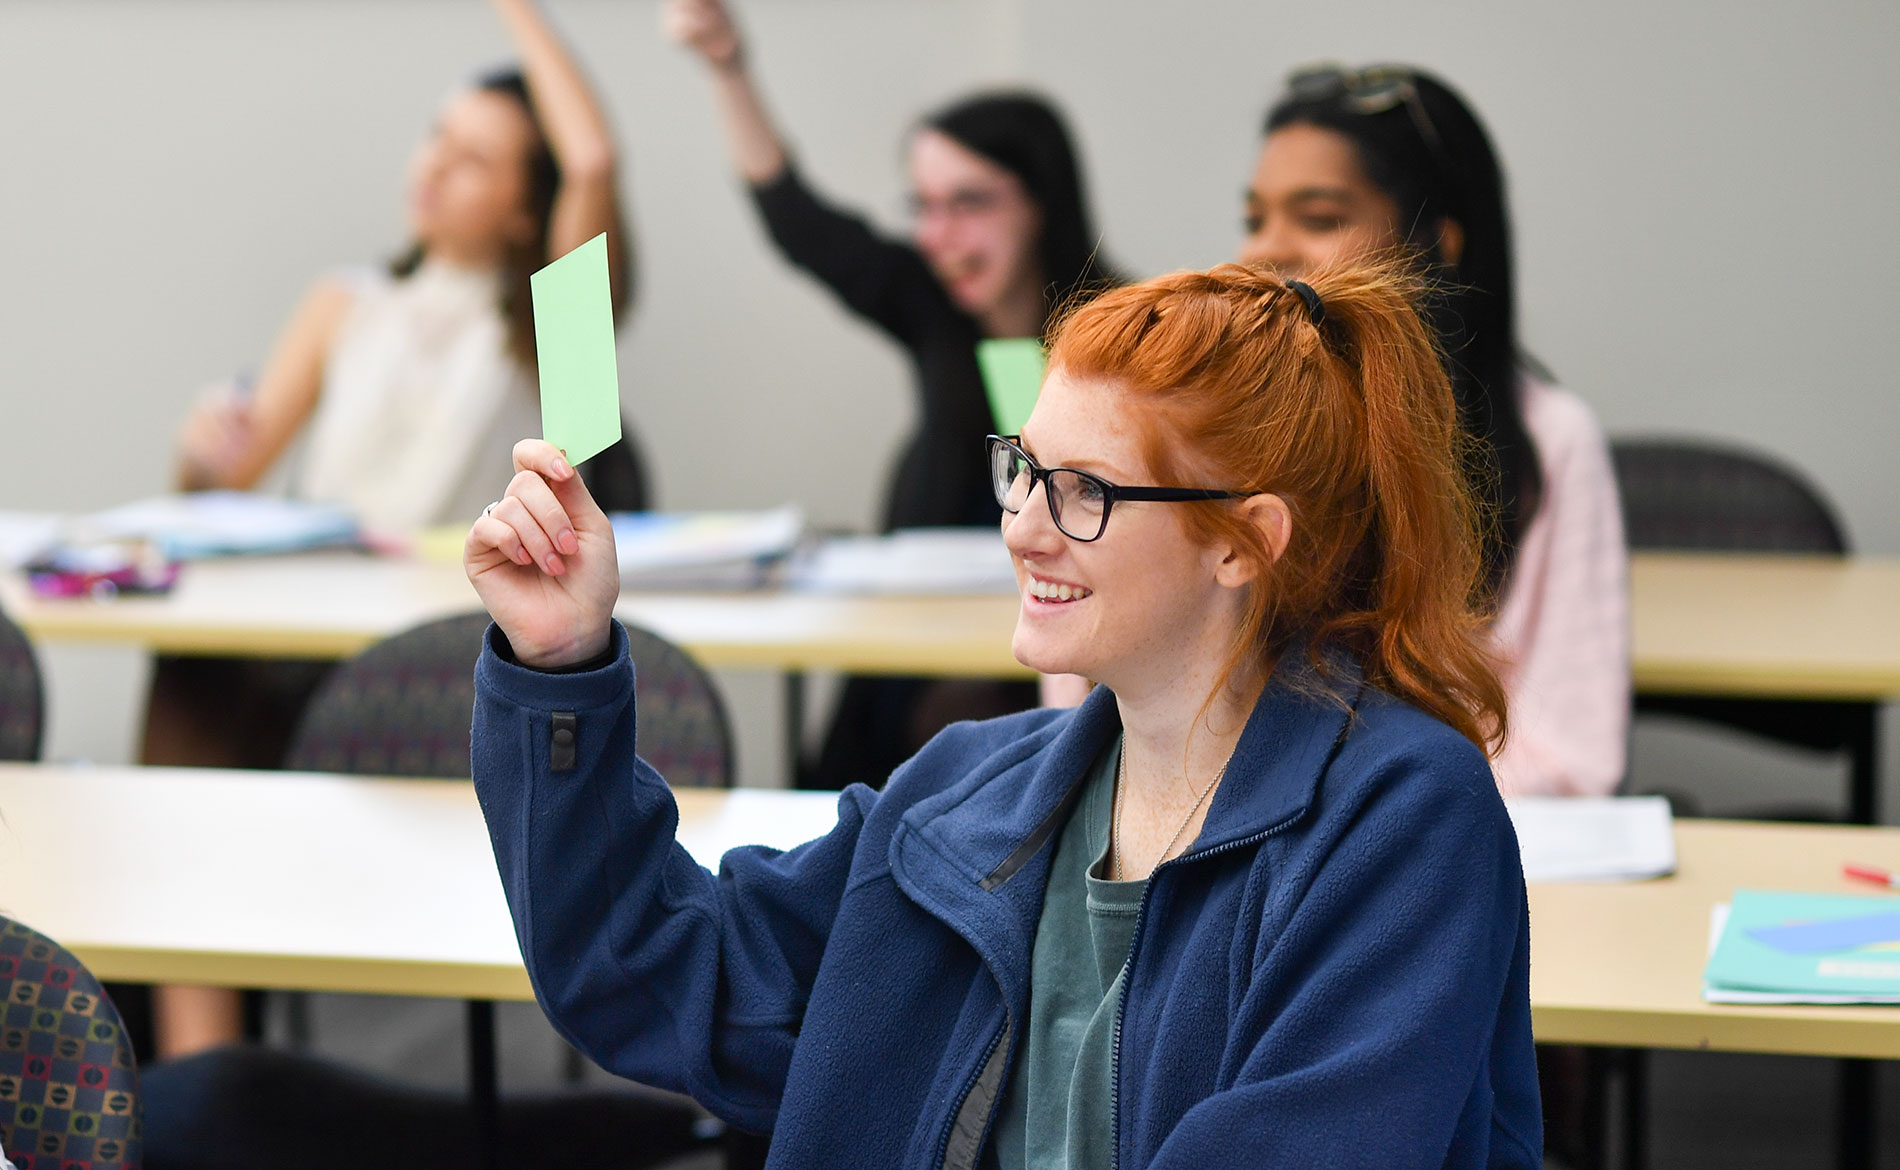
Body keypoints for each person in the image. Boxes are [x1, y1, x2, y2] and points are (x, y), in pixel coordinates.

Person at [463, 260, 1541, 1167]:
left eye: (1085, 492)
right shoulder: (971, 793)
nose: (1022, 528)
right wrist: (561, 662)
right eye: (1022, 469)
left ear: (1242, 542)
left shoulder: (1402, 818)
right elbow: (648, 972)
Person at [142, 0, 637, 1061]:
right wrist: (198, 450)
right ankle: (198, 1079)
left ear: (523, 210)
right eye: (435, 137)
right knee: (188, 693)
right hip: (299, 627)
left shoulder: (551, 337)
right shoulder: (343, 300)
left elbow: (590, 156)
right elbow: (219, 486)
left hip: (445, 649)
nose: (433, 166)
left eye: (474, 159)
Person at [665, 0, 1122, 789]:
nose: (939, 235)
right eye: (924, 207)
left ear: (1040, 198)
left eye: (969, 202)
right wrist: (727, 66)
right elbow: (795, 220)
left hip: (1049, 649)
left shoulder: (1119, 328)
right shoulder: (928, 301)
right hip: (904, 646)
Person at [1237, 63, 1629, 799]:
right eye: (1255, 219)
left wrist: (1352, 800)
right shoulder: (1226, 430)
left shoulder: (1551, 439)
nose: (1266, 251)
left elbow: (1572, 756)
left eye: (1319, 219)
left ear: (1439, 241)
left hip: (1447, 841)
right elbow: (1113, 699)